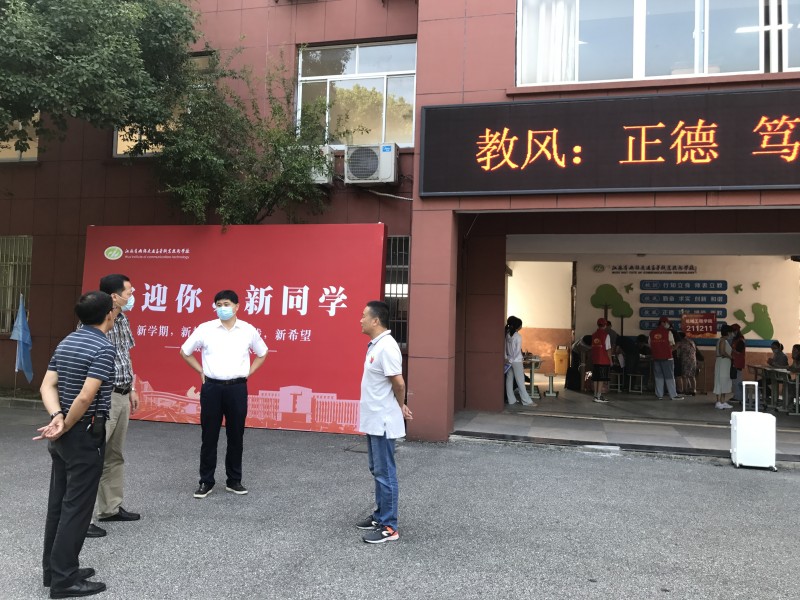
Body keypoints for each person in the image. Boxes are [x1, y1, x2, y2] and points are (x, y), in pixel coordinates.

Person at [34, 291, 117, 598]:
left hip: (64, 433)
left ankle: (53, 570)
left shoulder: (67, 341)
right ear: (109, 314)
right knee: (78, 508)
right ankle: (65, 580)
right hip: (83, 433)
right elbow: (85, 396)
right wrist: (66, 424)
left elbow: (47, 385)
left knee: (59, 503)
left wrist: (57, 417)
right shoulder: (103, 347)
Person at [180, 290, 268, 498]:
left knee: (236, 435)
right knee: (209, 435)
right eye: (218, 305)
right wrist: (200, 371)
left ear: (237, 306)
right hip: (212, 387)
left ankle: (234, 480)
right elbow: (185, 351)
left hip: (237, 388)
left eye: (226, 304)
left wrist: (248, 372)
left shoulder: (247, 330)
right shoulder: (205, 329)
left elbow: (262, 352)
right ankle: (206, 481)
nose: (222, 308)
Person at [86, 275, 140, 539]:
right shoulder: (94, 322)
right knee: (91, 456)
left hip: (122, 393)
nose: (132, 296)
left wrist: (133, 388)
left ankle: (110, 508)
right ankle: (81, 519)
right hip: (103, 396)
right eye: (128, 292)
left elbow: (124, 356)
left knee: (114, 455)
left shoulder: (122, 319)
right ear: (114, 297)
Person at [355, 301, 413, 544]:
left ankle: (390, 526)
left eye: (363, 315)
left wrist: (401, 405)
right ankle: (380, 516)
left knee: (385, 472)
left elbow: (398, 382)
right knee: (377, 470)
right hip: (374, 419)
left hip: (383, 420)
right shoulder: (376, 345)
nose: (360, 320)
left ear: (375, 320)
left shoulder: (387, 347)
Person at [649, 316, 684, 401]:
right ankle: (673, 395)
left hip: (656, 358)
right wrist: (667, 349)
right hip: (667, 358)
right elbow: (672, 344)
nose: (668, 324)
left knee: (658, 377)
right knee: (669, 377)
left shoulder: (651, 333)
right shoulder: (668, 333)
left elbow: (650, 345)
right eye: (667, 323)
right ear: (663, 323)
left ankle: (659, 395)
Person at [504, 316, 535, 406]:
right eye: (521, 324)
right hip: (516, 361)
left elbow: (505, 348)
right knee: (520, 381)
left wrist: (507, 358)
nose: (521, 326)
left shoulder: (507, 335)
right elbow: (517, 351)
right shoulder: (518, 336)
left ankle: (511, 400)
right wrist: (512, 359)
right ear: (517, 326)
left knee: (509, 380)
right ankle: (527, 401)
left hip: (509, 360)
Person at [590, 318, 612, 403]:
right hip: (603, 360)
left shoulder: (593, 335)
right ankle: (598, 397)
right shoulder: (606, 335)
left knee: (596, 378)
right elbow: (608, 349)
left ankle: (595, 395)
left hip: (595, 359)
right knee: (601, 378)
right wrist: (610, 360)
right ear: (605, 325)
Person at [712, 325, 733, 409]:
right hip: (723, 363)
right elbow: (722, 352)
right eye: (731, 332)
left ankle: (722, 401)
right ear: (728, 332)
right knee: (720, 380)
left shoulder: (723, 340)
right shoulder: (723, 340)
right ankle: (718, 402)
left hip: (724, 363)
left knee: (723, 380)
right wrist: (731, 357)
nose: (732, 334)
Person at [674, 331, 698, 396]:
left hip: (685, 361)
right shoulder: (691, 342)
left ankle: (685, 390)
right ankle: (694, 390)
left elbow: (678, 353)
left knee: (685, 376)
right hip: (693, 361)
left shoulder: (681, 343)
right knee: (692, 376)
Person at [730, 324, 746, 404]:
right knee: (734, 380)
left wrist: (730, 350)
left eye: (733, 331)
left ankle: (739, 397)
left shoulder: (740, 340)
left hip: (738, 362)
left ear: (736, 331)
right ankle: (736, 396)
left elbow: (739, 351)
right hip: (735, 361)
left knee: (737, 381)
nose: (732, 333)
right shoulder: (736, 340)